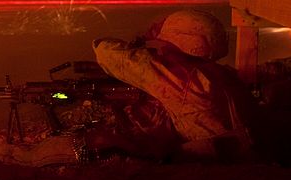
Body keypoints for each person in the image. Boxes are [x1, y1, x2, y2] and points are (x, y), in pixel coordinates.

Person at [92, 9, 256, 161]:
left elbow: (107, 53)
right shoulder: (224, 75)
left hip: (217, 166)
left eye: (166, 44)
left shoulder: (183, 78)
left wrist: (145, 37)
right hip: (243, 157)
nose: (162, 50)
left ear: (183, 41)